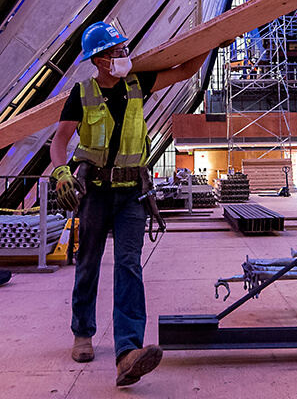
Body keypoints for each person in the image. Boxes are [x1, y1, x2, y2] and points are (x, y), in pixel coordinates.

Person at [48, 22, 210, 387]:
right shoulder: (82, 92)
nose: (124, 55)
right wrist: (61, 172)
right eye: (117, 52)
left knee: (128, 266)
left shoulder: (138, 84)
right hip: (94, 192)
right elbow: (58, 141)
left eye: (123, 49)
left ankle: (128, 353)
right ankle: (83, 332)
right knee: (88, 262)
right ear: (101, 60)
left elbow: (185, 70)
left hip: (132, 192)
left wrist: (211, 41)